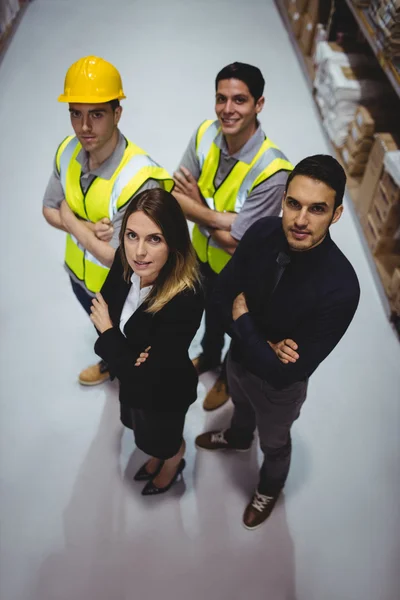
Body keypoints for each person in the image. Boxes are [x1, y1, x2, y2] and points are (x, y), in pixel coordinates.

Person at [195, 155, 360, 529]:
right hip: (236, 360)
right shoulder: (261, 233)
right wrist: (261, 341)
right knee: (239, 404)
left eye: (317, 209)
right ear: (283, 199)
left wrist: (243, 318)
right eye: (294, 204)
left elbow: (288, 372)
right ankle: (238, 438)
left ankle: (270, 486)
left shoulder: (342, 288)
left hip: (278, 392)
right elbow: (220, 299)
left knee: (274, 443)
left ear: (335, 214)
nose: (301, 220)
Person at [43, 56, 173, 386]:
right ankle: (110, 361)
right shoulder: (66, 152)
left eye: (96, 114)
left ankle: (131, 376)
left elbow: (119, 255)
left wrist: (71, 221)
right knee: (101, 326)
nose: (84, 127)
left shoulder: (139, 178)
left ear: (117, 113)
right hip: (81, 276)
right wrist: (88, 229)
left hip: (124, 288)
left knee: (131, 339)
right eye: (76, 113)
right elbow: (48, 209)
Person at [173, 62, 292, 411]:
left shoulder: (273, 170)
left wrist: (199, 205)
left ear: (259, 104)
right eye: (221, 98)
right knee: (208, 316)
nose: (228, 109)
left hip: (241, 273)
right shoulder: (204, 135)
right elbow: (175, 197)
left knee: (237, 329)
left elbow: (241, 242)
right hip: (201, 259)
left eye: (239, 100)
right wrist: (221, 220)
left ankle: (227, 374)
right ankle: (209, 357)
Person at [90, 188, 203, 495]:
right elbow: (101, 307)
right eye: (131, 235)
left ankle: (172, 464)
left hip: (166, 393)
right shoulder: (125, 262)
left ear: (173, 242)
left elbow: (145, 374)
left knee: (166, 440)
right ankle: (157, 457)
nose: (139, 252)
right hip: (137, 388)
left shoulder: (186, 299)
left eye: (154, 239)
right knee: (144, 432)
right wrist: (131, 358)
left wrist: (110, 333)